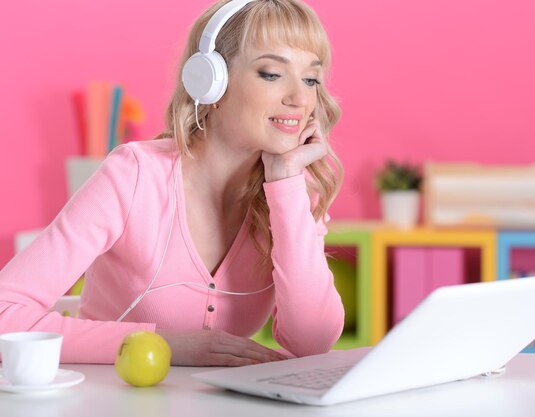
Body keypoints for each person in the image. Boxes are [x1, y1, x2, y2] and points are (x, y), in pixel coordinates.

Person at [0, 0, 345, 366]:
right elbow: (5, 313)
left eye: (311, 79)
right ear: (212, 82)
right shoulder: (134, 175)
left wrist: (287, 182)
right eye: (272, 74)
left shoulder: (293, 191)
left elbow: (312, 343)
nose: (299, 99)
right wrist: (166, 344)